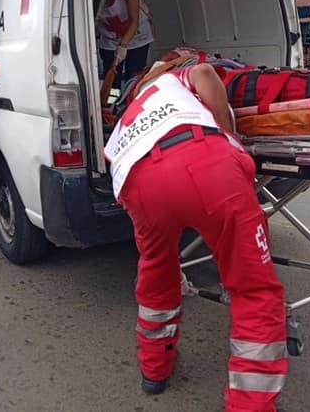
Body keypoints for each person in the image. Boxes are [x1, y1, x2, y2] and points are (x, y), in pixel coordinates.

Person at [104, 63, 287, 412]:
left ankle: (154, 369)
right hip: (205, 163)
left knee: (158, 274)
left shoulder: (130, 115)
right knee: (254, 289)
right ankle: (250, 404)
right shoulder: (172, 80)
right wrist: (232, 140)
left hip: (139, 184)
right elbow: (204, 72)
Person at [97, 0, 154, 88]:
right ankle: (111, 103)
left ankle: (131, 102)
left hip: (137, 36)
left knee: (133, 76)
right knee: (112, 79)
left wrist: (122, 46)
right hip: (110, 40)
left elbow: (134, 21)